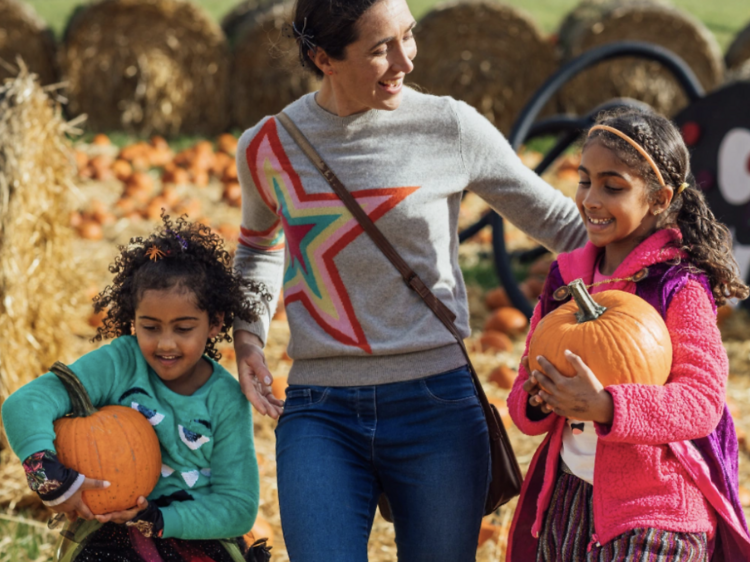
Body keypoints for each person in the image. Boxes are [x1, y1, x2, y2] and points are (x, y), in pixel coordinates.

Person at [232, 0, 587, 560]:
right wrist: (248, 333)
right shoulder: (267, 146)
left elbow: (564, 225)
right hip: (319, 409)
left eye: (409, 37)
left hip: (436, 405)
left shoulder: (450, 126)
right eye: (380, 49)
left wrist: (664, 262)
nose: (406, 60)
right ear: (325, 58)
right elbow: (259, 245)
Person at [506, 108, 750, 561]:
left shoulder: (678, 286)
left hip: (656, 508)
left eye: (612, 186)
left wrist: (605, 406)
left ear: (659, 198)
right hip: (567, 502)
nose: (590, 199)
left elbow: (701, 402)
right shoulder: (565, 279)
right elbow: (523, 393)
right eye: (584, 180)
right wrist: (539, 397)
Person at [2, 214, 267, 562]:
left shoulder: (226, 398)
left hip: (192, 533)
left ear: (215, 322)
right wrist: (49, 477)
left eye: (184, 328)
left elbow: (238, 507)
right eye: (150, 327)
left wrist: (160, 520)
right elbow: (25, 403)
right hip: (109, 537)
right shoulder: (122, 362)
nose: (165, 344)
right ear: (133, 321)